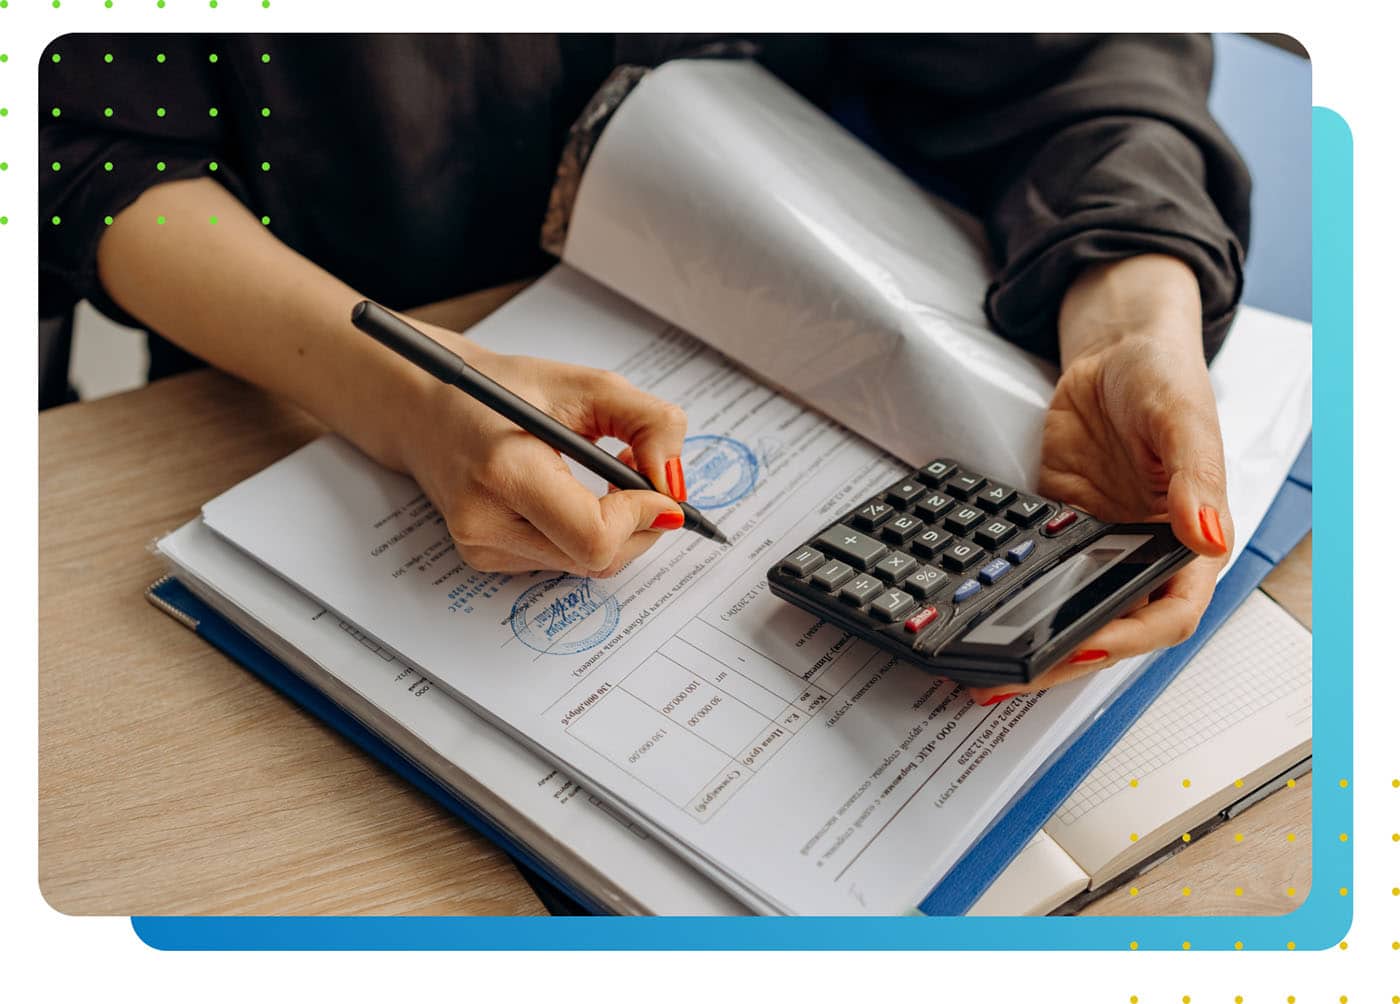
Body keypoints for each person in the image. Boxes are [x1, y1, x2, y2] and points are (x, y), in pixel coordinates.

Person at [40, 34, 1249, 701]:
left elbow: (1072, 50)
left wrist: (1133, 301)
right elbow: (88, 156)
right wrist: (407, 396)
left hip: (811, 269)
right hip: (315, 332)